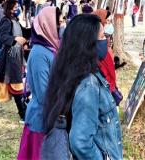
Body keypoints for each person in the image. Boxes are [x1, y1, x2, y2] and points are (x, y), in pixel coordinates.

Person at [43, 14, 123, 159]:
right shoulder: (89, 84)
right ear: (88, 43)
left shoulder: (70, 70)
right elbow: (80, 142)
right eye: (102, 36)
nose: (107, 40)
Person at [17, 7, 62, 160]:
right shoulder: (39, 54)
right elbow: (43, 94)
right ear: (47, 25)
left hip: (51, 118)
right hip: (40, 121)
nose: (61, 27)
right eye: (58, 23)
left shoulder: (51, 48)